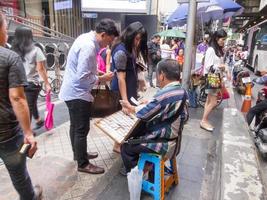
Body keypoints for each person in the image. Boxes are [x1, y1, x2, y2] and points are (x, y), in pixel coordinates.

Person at [59, 18, 119, 174]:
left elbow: (84, 68)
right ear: (104, 34)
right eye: (109, 41)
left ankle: (78, 154)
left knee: (75, 126)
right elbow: (82, 76)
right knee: (81, 128)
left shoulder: (85, 37)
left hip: (72, 91)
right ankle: (83, 164)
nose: (108, 45)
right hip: (77, 93)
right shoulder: (89, 46)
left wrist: (98, 73)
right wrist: (101, 78)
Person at [0, 12, 42, 199]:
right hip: (7, 134)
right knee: (18, 174)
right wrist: (28, 133)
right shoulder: (9, 57)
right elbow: (17, 98)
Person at [120, 59, 188, 173]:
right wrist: (151, 103)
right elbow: (184, 117)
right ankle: (149, 165)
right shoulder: (182, 91)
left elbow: (144, 115)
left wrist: (130, 108)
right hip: (176, 142)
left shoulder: (164, 95)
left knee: (126, 147)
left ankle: (139, 173)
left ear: (162, 76)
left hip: (164, 145)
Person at [110, 21, 148, 153]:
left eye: (140, 40)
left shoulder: (129, 47)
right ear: (131, 34)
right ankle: (117, 145)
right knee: (122, 116)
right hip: (121, 90)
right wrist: (125, 101)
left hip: (129, 88)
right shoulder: (121, 50)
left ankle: (119, 144)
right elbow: (121, 78)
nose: (138, 42)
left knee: (126, 118)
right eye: (136, 39)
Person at [12, 26, 51, 130]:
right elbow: (41, 69)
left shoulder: (13, 51)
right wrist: (47, 84)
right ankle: (27, 132)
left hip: (17, 83)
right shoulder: (36, 50)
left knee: (29, 102)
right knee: (28, 106)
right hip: (32, 84)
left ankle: (38, 120)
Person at [200, 29, 228, 132]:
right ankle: (203, 120)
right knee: (213, 102)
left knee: (209, 101)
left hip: (216, 77)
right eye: (222, 39)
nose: (223, 41)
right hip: (212, 77)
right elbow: (208, 66)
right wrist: (221, 66)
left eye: (224, 39)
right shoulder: (211, 50)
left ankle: (204, 120)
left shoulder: (217, 50)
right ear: (217, 38)